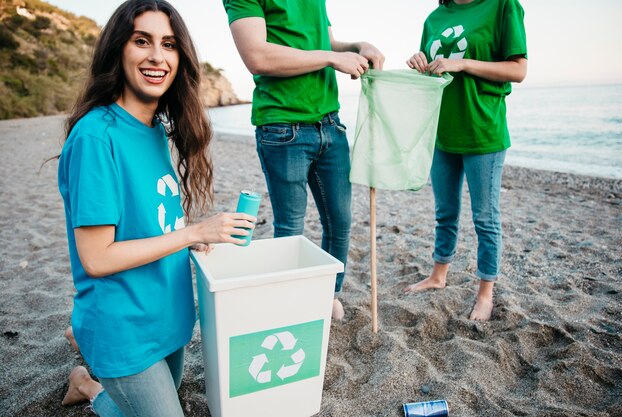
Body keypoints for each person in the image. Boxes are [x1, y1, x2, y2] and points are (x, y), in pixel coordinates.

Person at [57, 1, 256, 415]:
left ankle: (88, 386)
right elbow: (95, 258)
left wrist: (190, 241)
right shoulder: (96, 137)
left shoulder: (154, 129)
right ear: (118, 50)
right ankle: (90, 384)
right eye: (141, 41)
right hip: (123, 327)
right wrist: (193, 233)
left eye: (168, 44)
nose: (156, 56)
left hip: (169, 313)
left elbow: (149, 219)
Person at [223, 0, 385, 321]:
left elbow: (327, 44)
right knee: (290, 228)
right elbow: (257, 56)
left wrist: (356, 46)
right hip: (282, 126)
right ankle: (287, 308)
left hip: (330, 123)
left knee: (339, 221)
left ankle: (328, 295)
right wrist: (331, 57)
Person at [403, 0, 527, 321]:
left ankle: (485, 292)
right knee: (445, 212)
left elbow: (518, 69)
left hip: (482, 131)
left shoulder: (502, 6)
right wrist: (420, 64)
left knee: (485, 217)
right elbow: (432, 80)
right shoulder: (434, 18)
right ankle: (438, 275)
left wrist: (464, 64)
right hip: (442, 130)